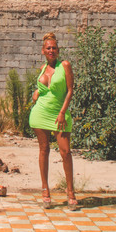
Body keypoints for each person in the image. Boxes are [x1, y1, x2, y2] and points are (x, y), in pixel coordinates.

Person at [28, 32, 76, 208]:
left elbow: (70, 90)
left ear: (58, 50)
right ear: (43, 50)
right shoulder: (42, 68)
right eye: (48, 48)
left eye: (54, 48)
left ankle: (70, 192)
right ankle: (45, 190)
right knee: (43, 150)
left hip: (59, 114)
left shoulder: (65, 65)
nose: (51, 50)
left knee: (65, 152)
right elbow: (42, 88)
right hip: (40, 113)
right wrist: (36, 92)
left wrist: (63, 112)